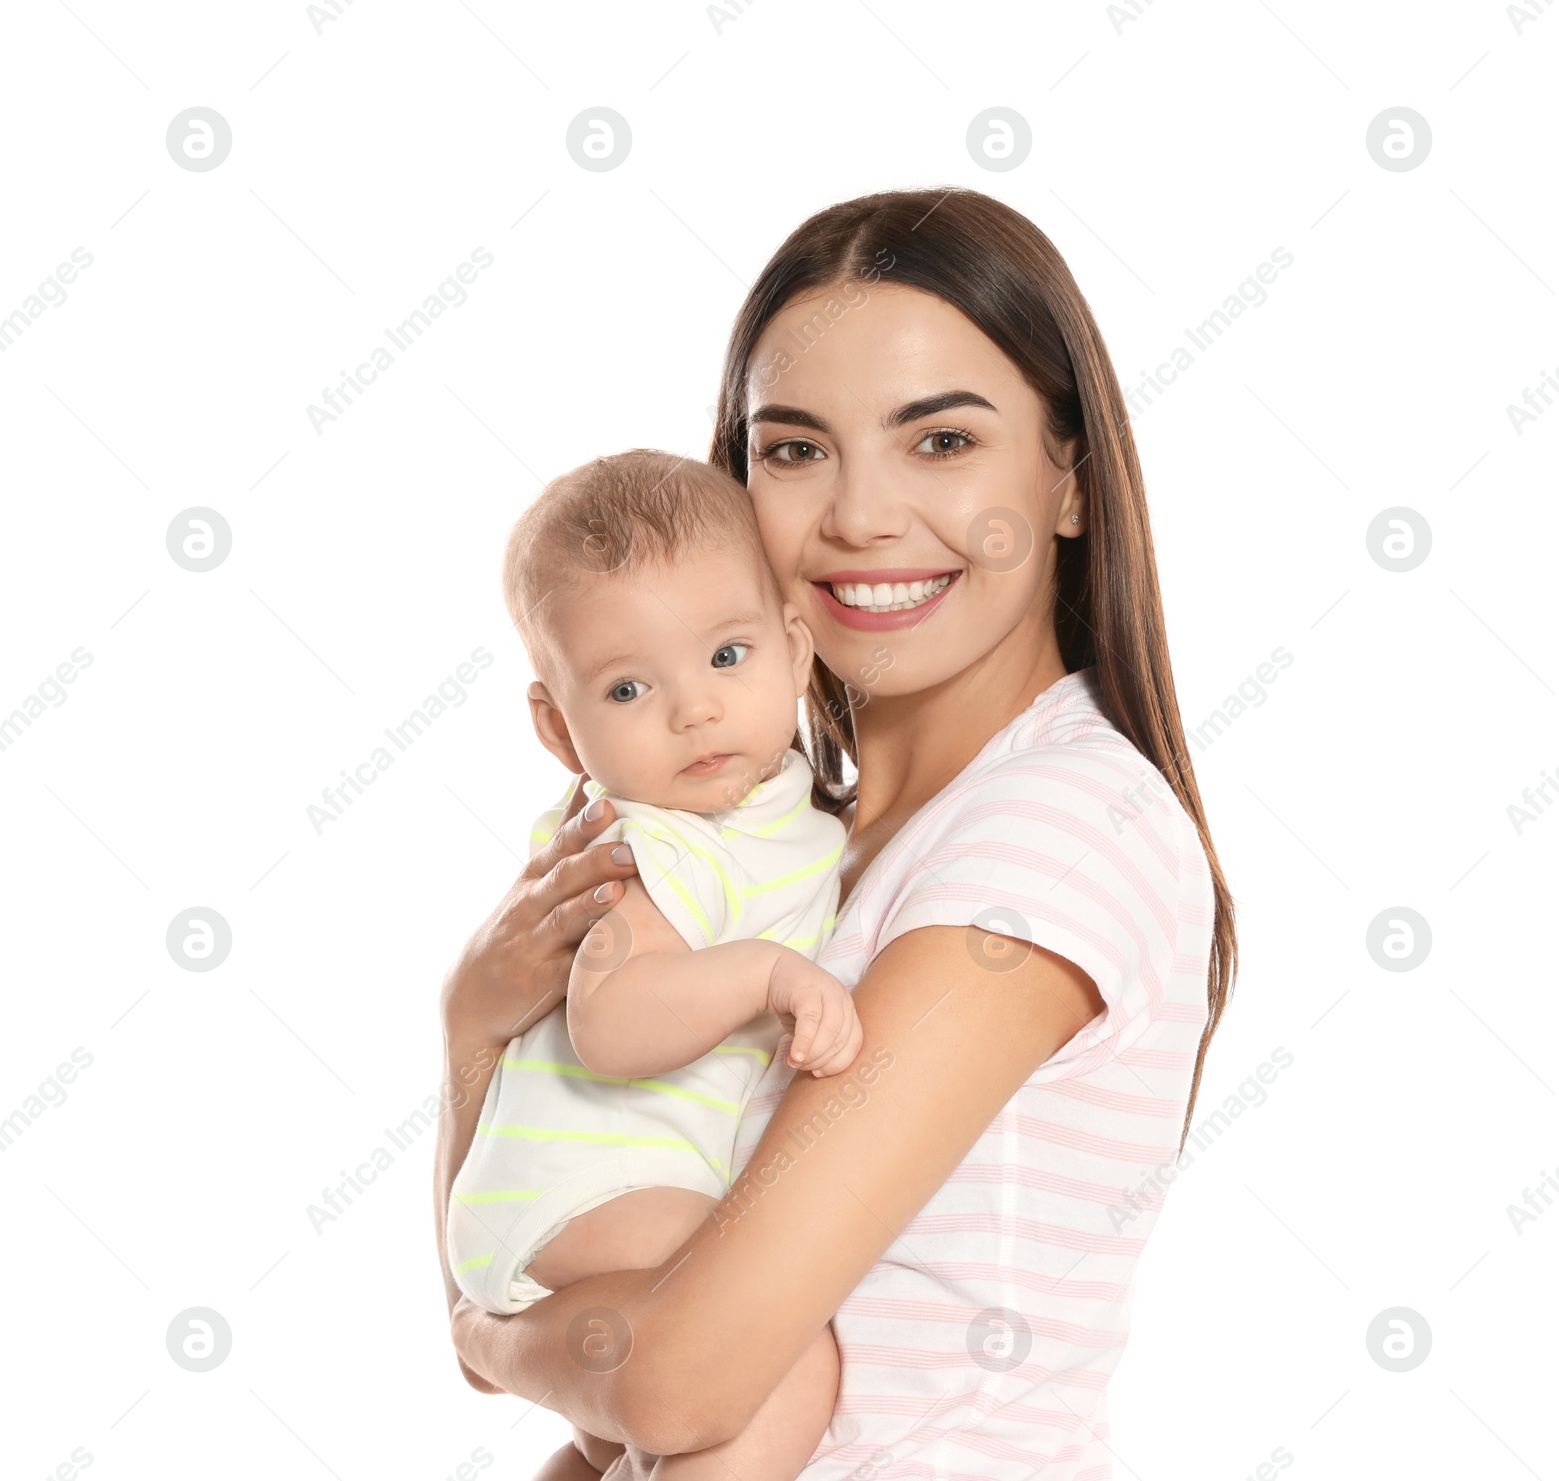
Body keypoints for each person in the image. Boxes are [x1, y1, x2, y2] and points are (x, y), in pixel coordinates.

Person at [434, 186, 1237, 1479]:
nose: (860, 516)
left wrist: (492, 1346)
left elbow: (679, 1377)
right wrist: (473, 1029)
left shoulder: (1053, 835)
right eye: (796, 450)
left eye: (939, 442)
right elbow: (544, 1221)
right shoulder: (796, 836)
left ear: (1069, 483)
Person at [446, 449, 861, 1479]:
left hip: (576, 1192)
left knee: (619, 1444)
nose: (692, 708)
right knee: (774, 1358)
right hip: (587, 1186)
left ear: (794, 650)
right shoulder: (646, 840)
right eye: (628, 686)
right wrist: (766, 973)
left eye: (727, 656)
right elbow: (614, 1019)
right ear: (558, 726)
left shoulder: (774, 807)